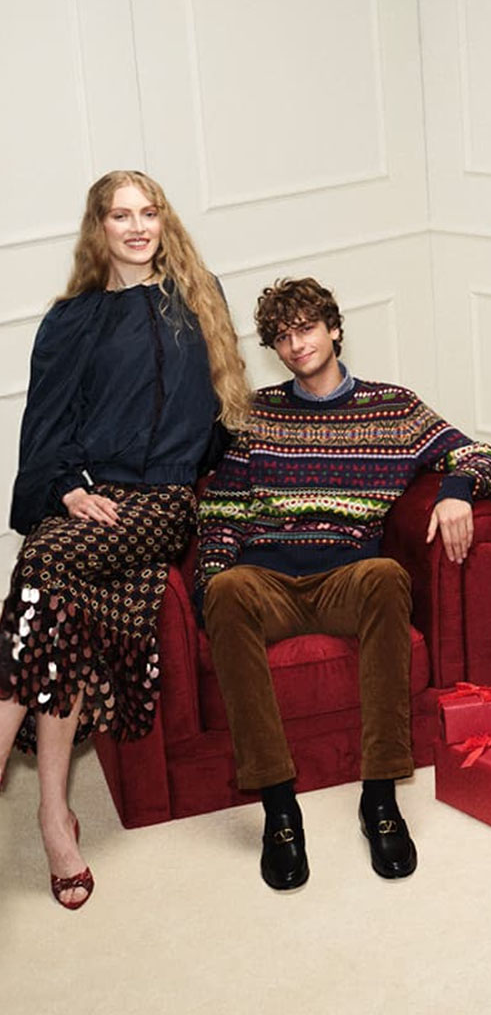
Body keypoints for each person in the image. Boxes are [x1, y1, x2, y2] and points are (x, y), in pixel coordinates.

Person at [196, 276, 491, 891]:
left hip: (348, 576)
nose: (296, 345)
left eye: (307, 329)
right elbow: (223, 510)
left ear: (334, 329)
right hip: (268, 578)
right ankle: (279, 809)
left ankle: (380, 795)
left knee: (388, 576)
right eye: (283, 337)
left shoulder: (393, 409)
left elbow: (484, 458)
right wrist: (215, 577)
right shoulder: (256, 415)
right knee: (226, 590)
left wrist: (453, 493)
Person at [1, 170, 250, 908]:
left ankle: (45, 811)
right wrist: (69, 488)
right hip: (88, 501)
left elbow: (223, 420)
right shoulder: (71, 320)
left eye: (148, 213)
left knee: (40, 567)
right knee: (54, 612)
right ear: (98, 228)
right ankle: (55, 816)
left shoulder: (198, 300)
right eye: (120, 215)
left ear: (163, 222)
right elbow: (43, 433)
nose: (137, 226)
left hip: (162, 501)